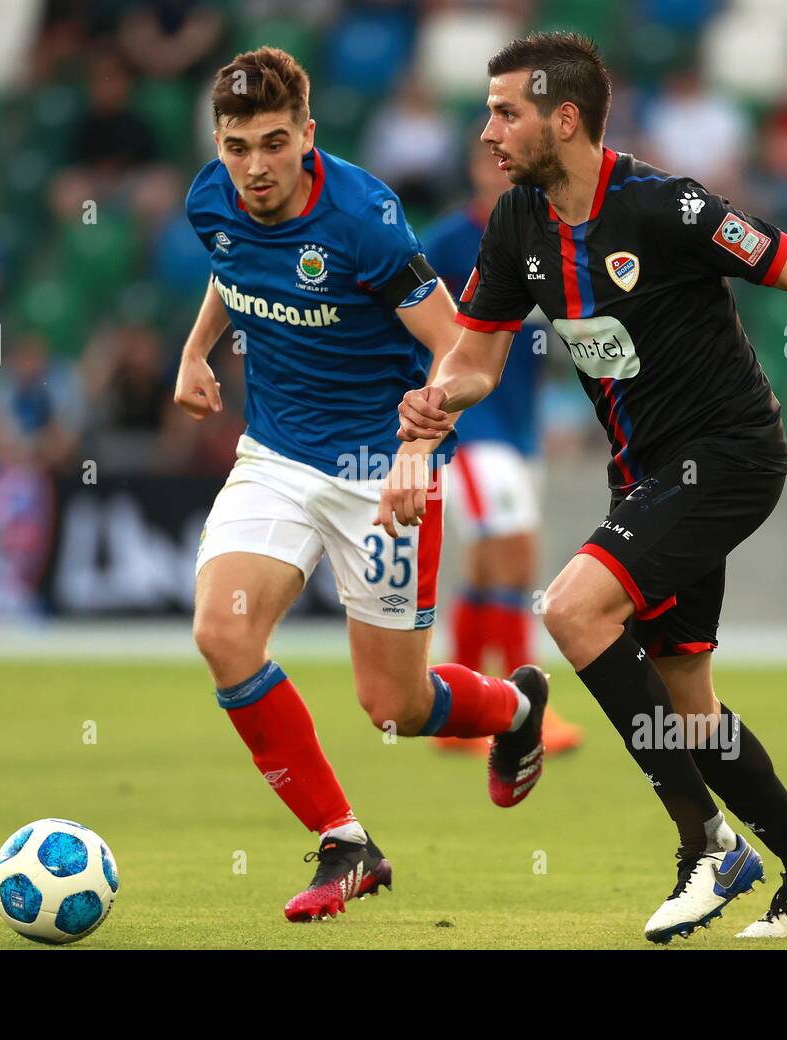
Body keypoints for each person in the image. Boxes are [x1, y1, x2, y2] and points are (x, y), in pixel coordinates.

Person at [390, 32, 787, 942]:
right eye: (487, 111)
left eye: (506, 112)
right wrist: (438, 400)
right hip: (647, 475)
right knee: (686, 707)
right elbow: (476, 355)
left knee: (574, 610)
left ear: (566, 117)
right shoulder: (515, 222)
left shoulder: (669, 207)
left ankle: (706, 843)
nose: (487, 132)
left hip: (729, 455)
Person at [176, 47, 549, 923]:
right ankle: (347, 842)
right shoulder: (208, 198)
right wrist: (196, 351)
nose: (256, 167)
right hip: (273, 457)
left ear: (309, 134)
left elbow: (458, 346)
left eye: (275, 143)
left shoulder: (366, 221)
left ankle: (517, 704)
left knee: (397, 706)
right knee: (222, 636)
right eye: (237, 146)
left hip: (379, 469)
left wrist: (420, 448)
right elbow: (232, 269)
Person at [420, 134, 582, 757]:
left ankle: (460, 709)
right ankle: (526, 711)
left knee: (493, 564)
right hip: (471, 425)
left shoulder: (544, 235)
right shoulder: (449, 241)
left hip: (519, 429)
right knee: (516, 555)